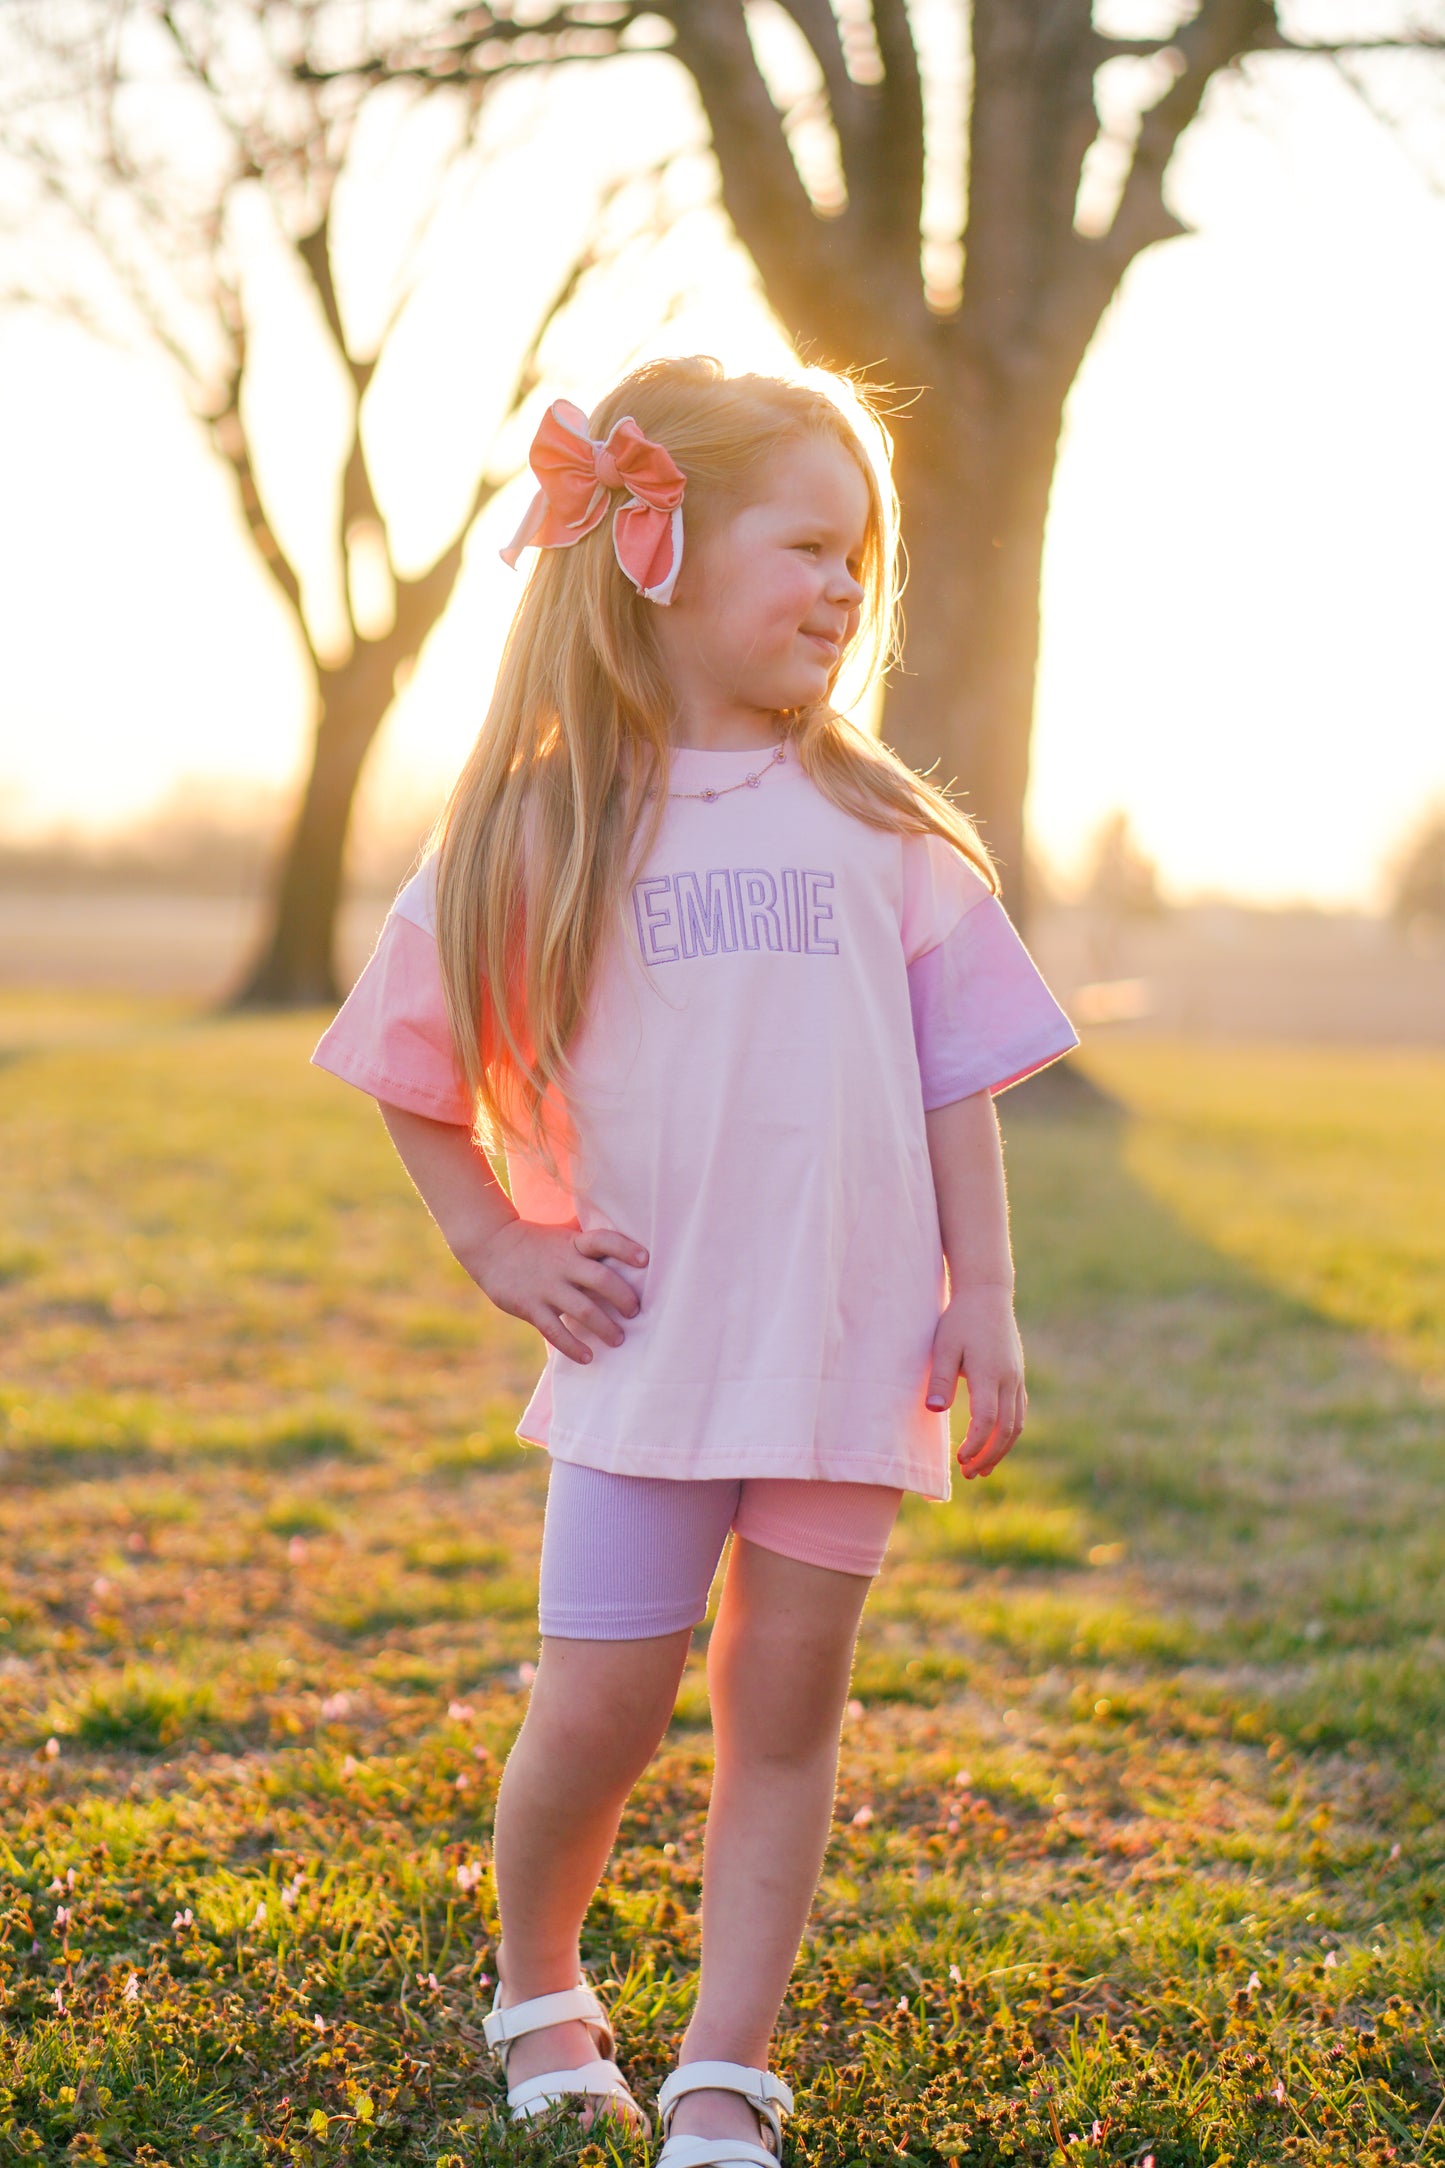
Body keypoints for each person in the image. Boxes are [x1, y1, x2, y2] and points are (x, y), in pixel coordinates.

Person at [311, 356, 1078, 2168]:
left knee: (783, 1705)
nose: (841, 589)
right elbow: (409, 1065)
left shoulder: (885, 835)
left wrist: (987, 1295)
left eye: (858, 561)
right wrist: (497, 1235)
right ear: (656, 547)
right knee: (601, 1697)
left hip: (841, 1346)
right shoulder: (539, 821)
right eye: (806, 544)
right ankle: (537, 1982)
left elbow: (954, 1081)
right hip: (647, 1346)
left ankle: (727, 2067)